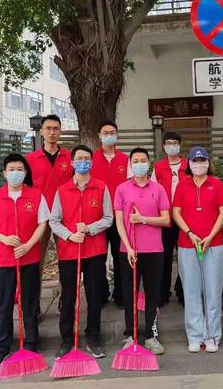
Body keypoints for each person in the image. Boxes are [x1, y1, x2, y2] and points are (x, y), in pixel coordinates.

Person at [0, 153, 49, 369]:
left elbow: (42, 223)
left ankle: (31, 342)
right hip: (3, 260)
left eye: (20, 169)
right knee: (4, 304)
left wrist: (28, 245)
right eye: (12, 169)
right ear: (5, 173)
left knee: (29, 302)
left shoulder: (36, 196)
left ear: (25, 173)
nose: (16, 173)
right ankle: (1, 347)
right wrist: (5, 239)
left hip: (29, 258)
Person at [50, 144, 113, 359]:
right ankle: (67, 338)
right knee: (69, 296)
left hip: (94, 250)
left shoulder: (101, 187)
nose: (83, 162)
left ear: (92, 162)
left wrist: (89, 228)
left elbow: (108, 218)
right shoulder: (62, 190)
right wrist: (69, 235)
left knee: (94, 296)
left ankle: (93, 336)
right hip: (69, 251)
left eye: (87, 158)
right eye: (79, 158)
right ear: (73, 162)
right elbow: (54, 220)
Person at [115, 147, 170, 355]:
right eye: (135, 161)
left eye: (143, 160)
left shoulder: (158, 188)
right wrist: (128, 247)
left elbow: (166, 219)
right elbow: (119, 222)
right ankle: (131, 334)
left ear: (149, 163)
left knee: (152, 295)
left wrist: (143, 219)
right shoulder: (121, 189)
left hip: (154, 250)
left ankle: (151, 335)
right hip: (129, 251)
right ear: (130, 164)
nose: (139, 164)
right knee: (129, 295)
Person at [172, 146, 223, 354]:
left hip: (214, 244)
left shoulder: (217, 184)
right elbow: (176, 212)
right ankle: (195, 335)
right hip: (188, 244)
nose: (199, 164)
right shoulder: (183, 185)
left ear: (208, 162)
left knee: (213, 290)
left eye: (202, 160)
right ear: (189, 164)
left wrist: (210, 236)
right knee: (192, 291)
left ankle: (213, 335)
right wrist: (189, 233)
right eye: (195, 161)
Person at [26, 114, 73, 313]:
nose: (52, 132)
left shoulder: (70, 157)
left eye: (56, 128)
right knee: (36, 261)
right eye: (48, 128)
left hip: (65, 216)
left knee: (66, 260)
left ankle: (65, 298)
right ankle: (33, 302)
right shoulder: (30, 159)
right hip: (40, 217)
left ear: (60, 131)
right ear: (41, 131)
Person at [90, 120, 130, 308]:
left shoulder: (125, 159)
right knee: (97, 257)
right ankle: (100, 293)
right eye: (105, 132)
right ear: (99, 135)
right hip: (96, 216)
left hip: (120, 216)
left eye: (112, 132)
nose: (109, 135)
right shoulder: (90, 159)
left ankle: (121, 294)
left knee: (120, 254)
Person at [151, 131, 187, 307]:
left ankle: (183, 291)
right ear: (164, 146)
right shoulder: (158, 167)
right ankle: (162, 292)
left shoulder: (188, 165)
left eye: (175, 143)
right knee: (163, 257)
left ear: (180, 145)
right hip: (164, 219)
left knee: (185, 257)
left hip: (185, 219)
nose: (172, 146)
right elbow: (153, 191)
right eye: (168, 143)